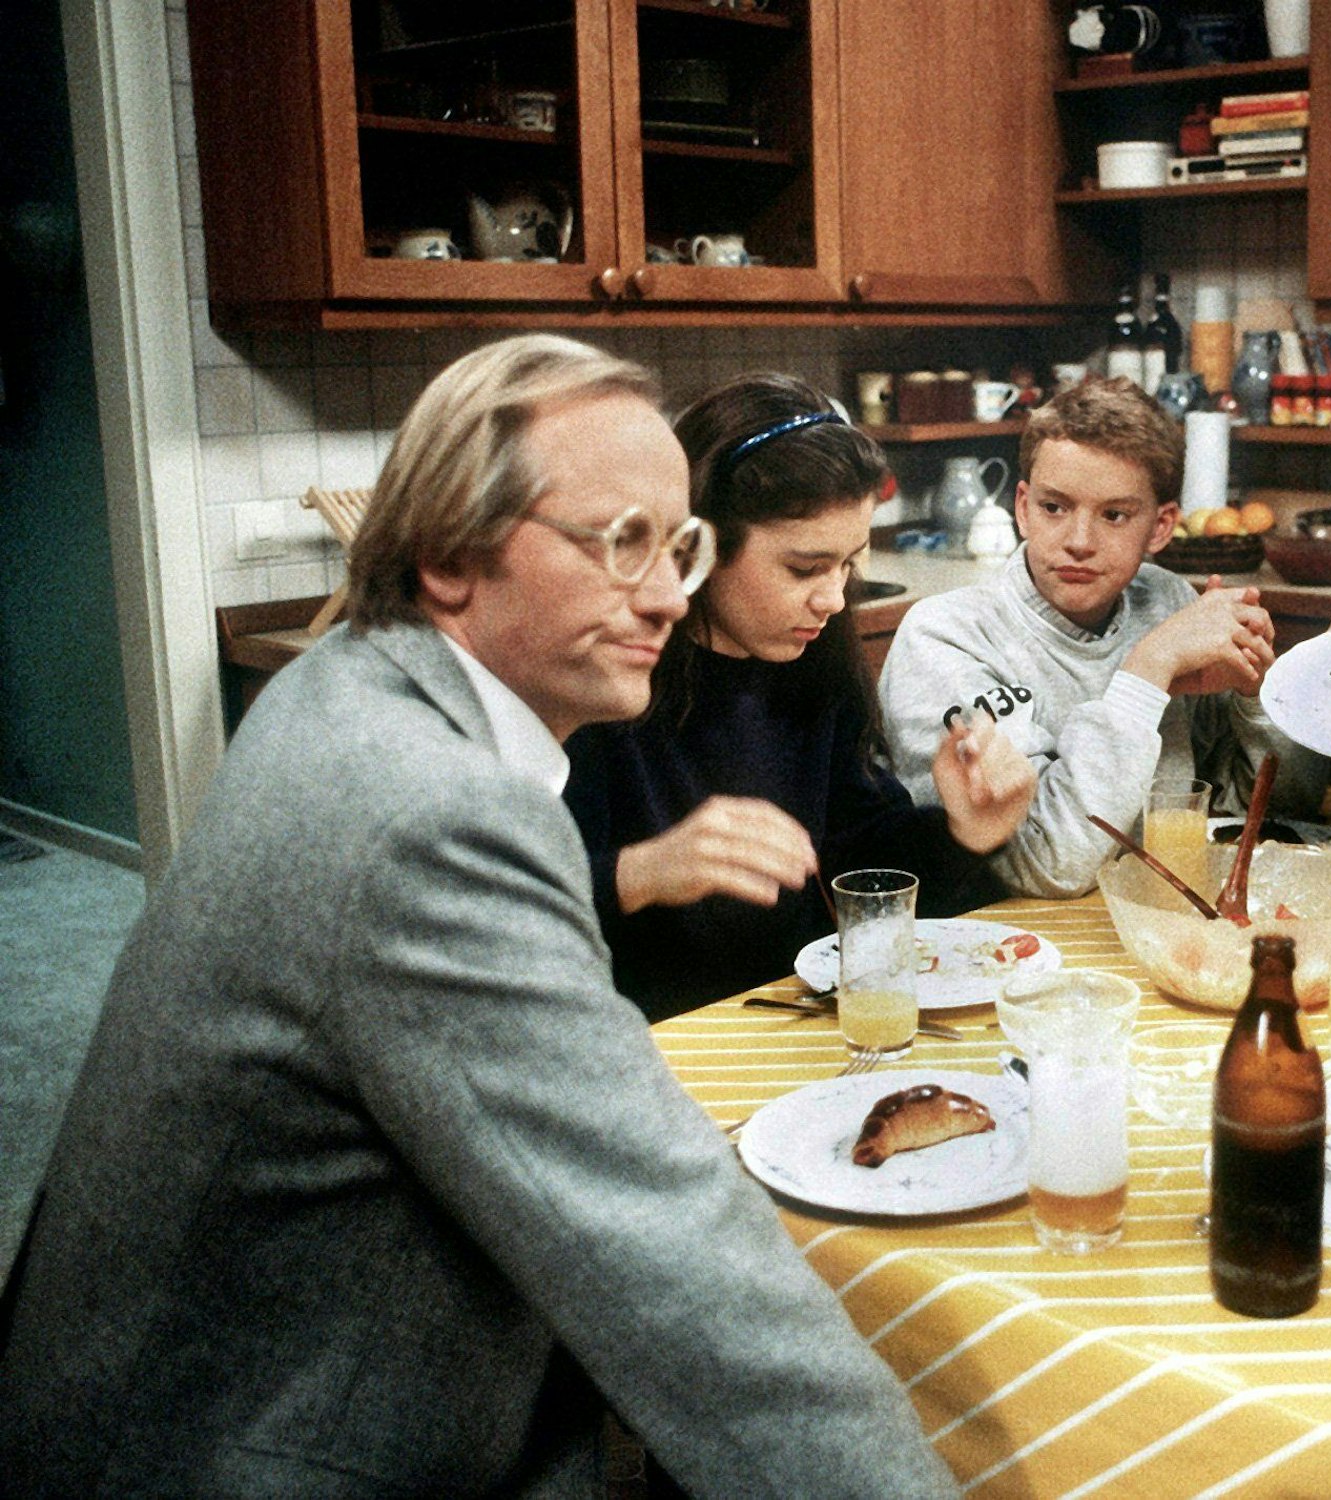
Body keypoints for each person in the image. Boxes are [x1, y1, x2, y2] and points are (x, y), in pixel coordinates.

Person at [0, 337, 957, 1498]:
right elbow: (671, 1261)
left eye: (679, 545)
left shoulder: (340, 684)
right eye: (622, 544)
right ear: (451, 561)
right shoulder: (435, 816)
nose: (667, 591)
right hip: (239, 1442)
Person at [564, 373, 1034, 1017]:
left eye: (848, 564)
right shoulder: (597, 684)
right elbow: (489, 921)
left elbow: (862, 869)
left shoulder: (814, 659)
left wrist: (964, 834)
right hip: (649, 1043)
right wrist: (639, 873)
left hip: (791, 1019)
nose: (834, 598)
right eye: (805, 568)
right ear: (698, 544)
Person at [876, 376, 1328, 899]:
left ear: (1161, 528)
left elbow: (1272, 815)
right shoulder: (947, 635)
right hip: (1002, 941)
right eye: (1054, 507)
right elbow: (1049, 863)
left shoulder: (1166, 601)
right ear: (1022, 508)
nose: (1079, 542)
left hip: (1144, 917)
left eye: (1114, 515)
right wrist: (1148, 669)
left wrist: (1257, 697)